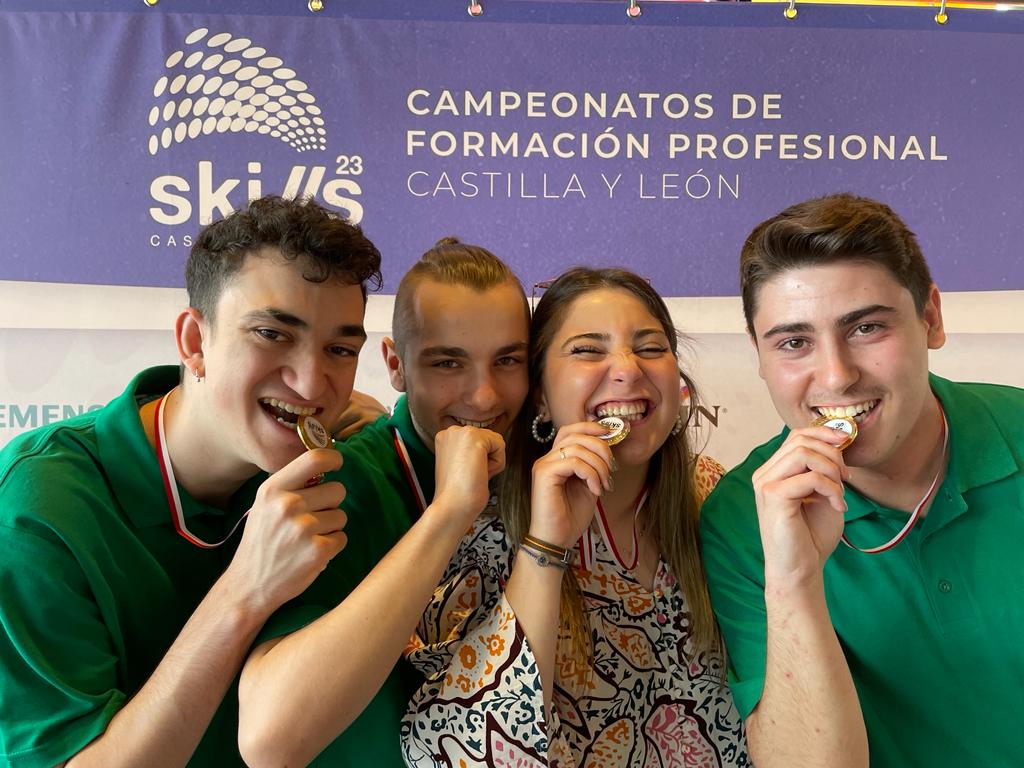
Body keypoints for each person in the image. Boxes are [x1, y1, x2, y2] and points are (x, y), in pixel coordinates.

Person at [0, 195, 383, 766]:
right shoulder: (41, 507)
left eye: (339, 349)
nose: (312, 383)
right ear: (194, 342)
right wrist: (245, 591)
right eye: (273, 334)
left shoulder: (332, 468)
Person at [700, 193, 1024, 767]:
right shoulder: (739, 516)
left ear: (931, 319)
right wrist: (794, 579)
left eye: (867, 328)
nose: (836, 375)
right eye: (794, 342)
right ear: (759, 354)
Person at [402, 267, 749, 767]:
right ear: (539, 393)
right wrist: (545, 549)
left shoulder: (714, 495)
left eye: (650, 347)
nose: (628, 369)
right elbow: (462, 755)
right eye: (588, 350)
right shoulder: (481, 530)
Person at [236, 238, 531, 767]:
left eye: (508, 360)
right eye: (448, 363)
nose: (484, 397)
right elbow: (268, 742)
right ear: (395, 363)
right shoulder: (337, 486)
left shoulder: (543, 479)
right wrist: (448, 514)